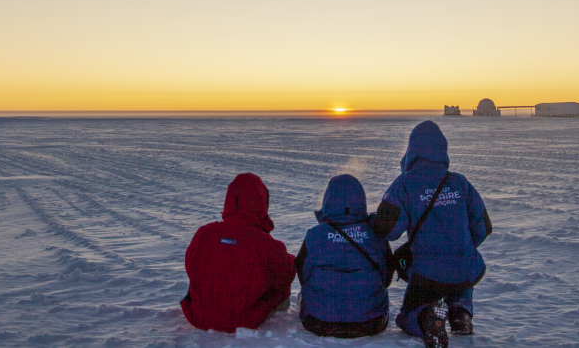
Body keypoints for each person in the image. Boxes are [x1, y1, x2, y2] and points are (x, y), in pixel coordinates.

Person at [371, 120, 492, 348]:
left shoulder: (405, 184)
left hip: (428, 275)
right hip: (464, 269)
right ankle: (461, 313)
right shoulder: (459, 182)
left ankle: (427, 317)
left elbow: (388, 230)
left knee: (407, 319)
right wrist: (459, 247)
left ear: (411, 151)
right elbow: (483, 228)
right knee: (461, 273)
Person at [180, 173, 296, 333]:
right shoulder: (266, 244)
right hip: (244, 320)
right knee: (280, 284)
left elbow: (191, 267)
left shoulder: (204, 234)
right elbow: (285, 277)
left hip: (199, 317)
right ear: (261, 203)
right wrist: (289, 259)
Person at [295, 174, 392, 338]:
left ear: (328, 199)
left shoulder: (315, 235)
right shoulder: (376, 234)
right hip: (371, 321)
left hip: (319, 320)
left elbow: (302, 271)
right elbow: (387, 276)